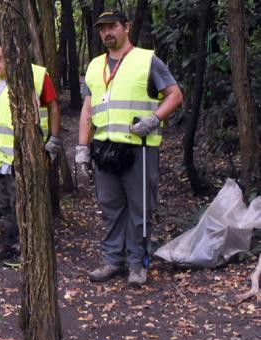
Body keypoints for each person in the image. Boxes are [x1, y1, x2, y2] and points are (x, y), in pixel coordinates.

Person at [76, 11, 182, 286]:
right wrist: (82, 146)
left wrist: (153, 119)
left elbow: (175, 94)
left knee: (140, 209)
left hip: (139, 147)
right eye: (102, 29)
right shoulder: (94, 66)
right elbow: (88, 109)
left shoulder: (146, 60)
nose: (107, 32)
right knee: (110, 207)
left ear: (126, 27)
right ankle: (113, 260)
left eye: (112, 26)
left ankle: (137, 263)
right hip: (105, 148)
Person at [0, 44, 62, 266]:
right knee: (6, 204)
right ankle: (12, 244)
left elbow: (53, 107)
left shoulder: (36, 75)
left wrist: (53, 141)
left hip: (23, 158)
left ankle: (25, 249)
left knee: (22, 204)